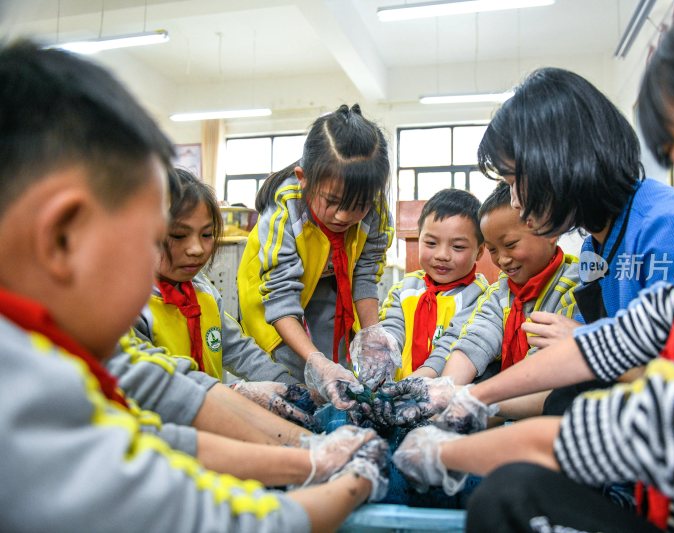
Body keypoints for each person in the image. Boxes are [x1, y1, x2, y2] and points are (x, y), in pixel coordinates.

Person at [393, 1, 674, 531]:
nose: (514, 202)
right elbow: (609, 341)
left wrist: (450, 446)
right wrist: (466, 393)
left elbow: (622, 418)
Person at [0, 40, 387, 531]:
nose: (187, 255)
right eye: (153, 241)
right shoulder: (25, 409)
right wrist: (350, 481)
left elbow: (166, 405)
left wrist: (307, 457)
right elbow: (208, 514)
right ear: (62, 238)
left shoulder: (49, 349)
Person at [117, 167, 319, 429]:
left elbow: (237, 348)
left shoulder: (204, 292)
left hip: (210, 422)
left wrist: (295, 387)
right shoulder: (128, 309)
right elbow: (157, 384)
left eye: (207, 234)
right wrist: (236, 393)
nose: (196, 249)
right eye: (178, 235)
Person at [237, 105, 394, 403]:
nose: (344, 215)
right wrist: (316, 361)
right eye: (333, 201)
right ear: (303, 178)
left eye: (359, 205)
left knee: (341, 374)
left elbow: (364, 276)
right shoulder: (284, 210)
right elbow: (280, 299)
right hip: (273, 300)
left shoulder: (376, 210)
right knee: (294, 379)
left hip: (329, 290)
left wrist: (373, 335)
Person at [437, 182, 580, 391]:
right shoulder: (499, 292)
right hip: (505, 398)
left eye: (511, 244)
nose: (502, 260)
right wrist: (444, 390)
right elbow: (476, 340)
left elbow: (545, 366)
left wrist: (474, 398)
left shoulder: (573, 285)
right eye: (493, 250)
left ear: (550, 232)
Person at [372, 188, 488, 382]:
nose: (442, 255)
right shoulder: (405, 288)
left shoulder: (480, 297)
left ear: (480, 251)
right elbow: (392, 328)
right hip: (398, 387)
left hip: (445, 394)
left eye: (458, 246)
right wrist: (381, 361)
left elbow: (452, 345)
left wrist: (416, 382)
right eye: (431, 243)